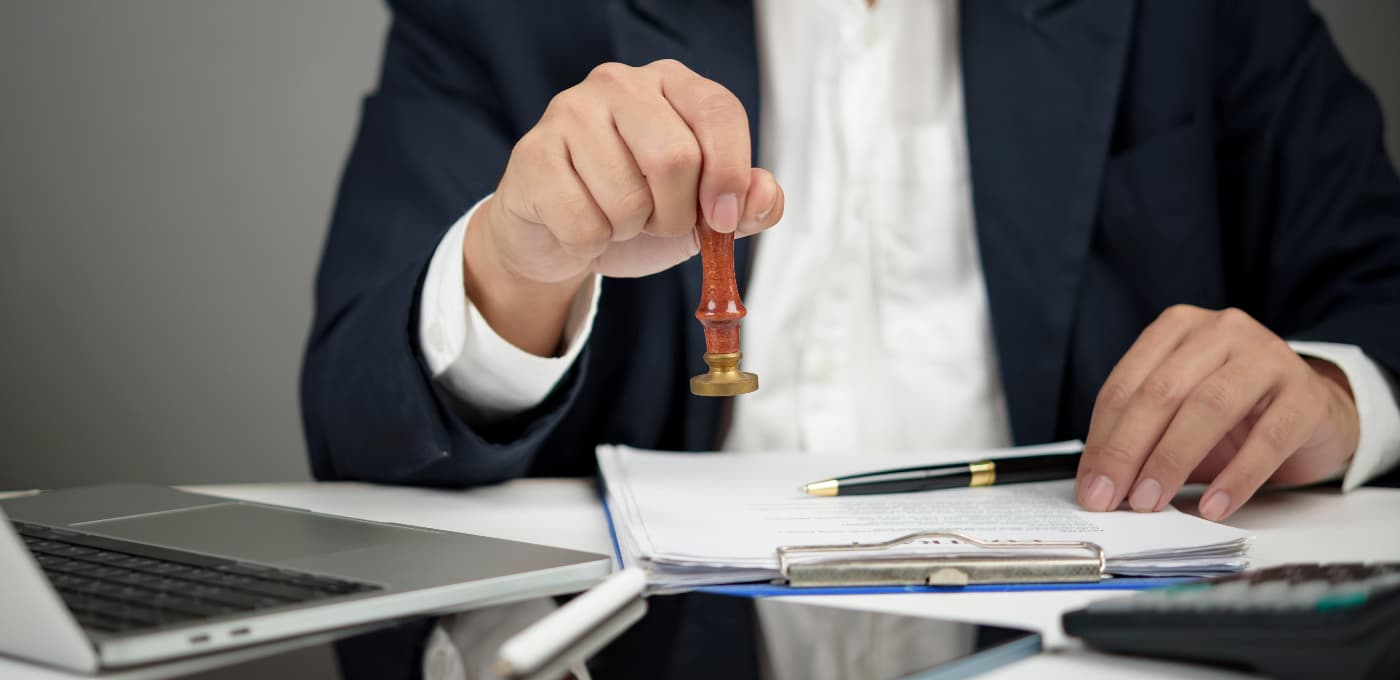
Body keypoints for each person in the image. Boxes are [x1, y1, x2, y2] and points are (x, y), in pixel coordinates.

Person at [303, 0, 1400, 674]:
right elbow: (358, 414)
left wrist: (1328, 388)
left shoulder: (1200, 14)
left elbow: (1377, 287)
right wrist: (513, 262)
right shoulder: (497, 14)